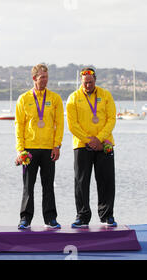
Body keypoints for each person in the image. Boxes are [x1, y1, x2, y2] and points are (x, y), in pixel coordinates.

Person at [66, 67, 117, 228]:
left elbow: (111, 119)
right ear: (81, 82)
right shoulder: (73, 98)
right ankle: (82, 216)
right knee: (81, 182)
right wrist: (89, 140)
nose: (87, 85)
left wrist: (99, 139)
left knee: (106, 181)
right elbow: (72, 125)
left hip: (104, 144)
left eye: (90, 82)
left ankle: (107, 215)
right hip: (82, 145)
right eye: (85, 83)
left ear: (95, 80)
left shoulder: (105, 95)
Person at [14, 64, 64, 229]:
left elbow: (60, 124)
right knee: (28, 186)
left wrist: (57, 146)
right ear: (34, 78)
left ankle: (50, 218)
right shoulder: (24, 99)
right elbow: (18, 126)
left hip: (49, 148)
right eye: (42, 77)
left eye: (47, 77)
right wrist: (21, 150)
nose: (45, 80)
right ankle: (25, 219)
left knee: (48, 185)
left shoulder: (55, 98)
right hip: (29, 149)